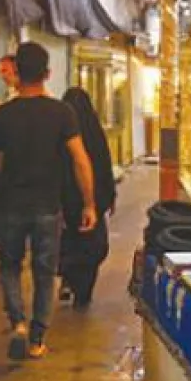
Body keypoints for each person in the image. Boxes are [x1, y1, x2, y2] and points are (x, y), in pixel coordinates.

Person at [0, 42, 96, 360]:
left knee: (9, 265)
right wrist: (88, 203)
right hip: (47, 205)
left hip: (9, 204)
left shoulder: (1, 115)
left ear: (16, 73)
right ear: (47, 74)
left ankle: (18, 321)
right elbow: (80, 159)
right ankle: (36, 339)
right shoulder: (62, 113)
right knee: (44, 271)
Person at [58, 87, 116, 310]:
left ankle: (67, 280)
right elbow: (104, 166)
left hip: (66, 200)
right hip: (92, 202)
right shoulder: (95, 132)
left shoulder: (61, 132)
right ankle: (83, 292)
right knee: (90, 247)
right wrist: (107, 198)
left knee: (68, 243)